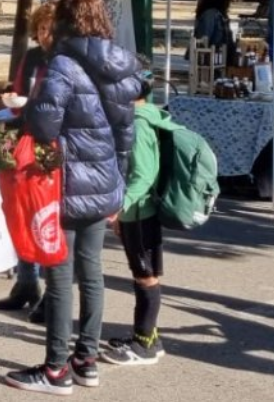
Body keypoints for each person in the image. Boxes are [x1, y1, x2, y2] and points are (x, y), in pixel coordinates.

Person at [4, 0, 144, 396]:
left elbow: (44, 125)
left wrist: (28, 108)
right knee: (92, 271)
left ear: (67, 21)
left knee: (60, 275)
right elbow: (125, 134)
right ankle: (86, 360)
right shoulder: (121, 67)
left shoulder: (63, 64)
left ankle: (55, 370)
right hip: (103, 183)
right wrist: (118, 185)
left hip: (65, 183)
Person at [103, 76, 171, 366]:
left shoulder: (139, 124)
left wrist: (121, 205)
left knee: (146, 275)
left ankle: (144, 343)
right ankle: (148, 336)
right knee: (142, 272)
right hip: (139, 212)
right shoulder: (145, 116)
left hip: (141, 212)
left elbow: (143, 174)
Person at [0, 2, 56, 322]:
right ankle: (26, 282)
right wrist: (13, 100)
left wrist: (31, 106)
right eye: (41, 29)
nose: (44, 35)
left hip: (52, 145)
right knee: (20, 212)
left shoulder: (68, 60)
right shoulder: (32, 57)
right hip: (24, 141)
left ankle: (52, 294)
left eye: (50, 29)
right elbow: (20, 91)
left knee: (46, 218)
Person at [192, 0, 238, 64]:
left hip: (220, 61)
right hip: (212, 63)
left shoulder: (221, 15)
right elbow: (203, 41)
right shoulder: (210, 15)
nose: (230, 1)